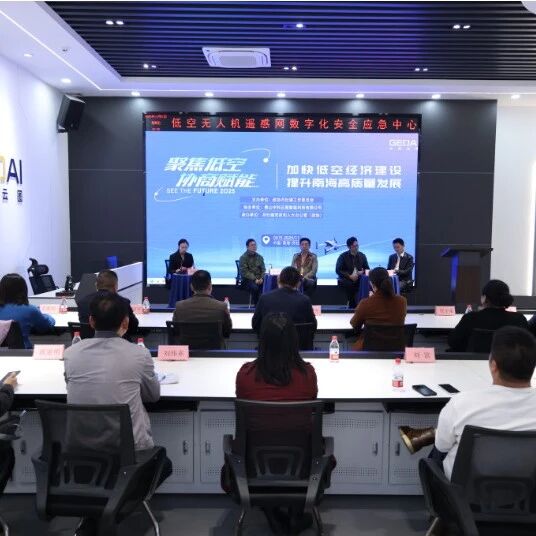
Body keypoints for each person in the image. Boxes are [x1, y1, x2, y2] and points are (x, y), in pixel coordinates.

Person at [64, 292, 171, 536]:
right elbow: (153, 395)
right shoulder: (138, 354)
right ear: (125, 322)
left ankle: (99, 512)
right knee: (164, 464)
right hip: (129, 455)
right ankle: (115, 508)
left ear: (91, 321)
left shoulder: (71, 354)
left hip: (82, 454)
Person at [232, 313, 328, 533]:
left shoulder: (246, 374)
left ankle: (272, 510)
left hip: (253, 464)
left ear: (262, 341)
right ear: (294, 341)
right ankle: (293, 513)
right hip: (302, 464)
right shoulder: (308, 374)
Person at [401, 326, 536, 481]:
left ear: (493, 365)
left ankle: (424, 440)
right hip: (526, 488)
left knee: (443, 445)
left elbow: (442, 446)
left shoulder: (462, 403)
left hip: (466, 489)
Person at [447, 279, 528, 352]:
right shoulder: (519, 319)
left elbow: (453, 342)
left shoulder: (470, 318)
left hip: (473, 362)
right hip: (507, 362)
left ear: (484, 298)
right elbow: (526, 345)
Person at [349, 267, 407, 350]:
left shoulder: (365, 303)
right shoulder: (402, 301)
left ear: (371, 283)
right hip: (396, 349)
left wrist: (371, 299)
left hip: (370, 350)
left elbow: (355, 325)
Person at [172, 270, 232, 345]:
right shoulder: (222, 307)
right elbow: (227, 333)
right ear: (210, 286)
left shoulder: (179, 306)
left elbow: (176, 331)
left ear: (191, 287)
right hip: (215, 350)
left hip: (188, 351)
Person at [76, 269, 139, 340]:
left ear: (96, 285)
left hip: (89, 344)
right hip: (118, 344)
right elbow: (133, 328)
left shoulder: (82, 302)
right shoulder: (123, 302)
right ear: (116, 286)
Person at [252, 266, 317, 334]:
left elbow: (255, 324)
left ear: (278, 279)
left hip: (269, 339)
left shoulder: (264, 298)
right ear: (298, 283)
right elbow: (313, 325)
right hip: (298, 340)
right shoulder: (305, 300)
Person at [0, 273, 55, 349]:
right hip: (22, 353)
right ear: (23, 290)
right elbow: (44, 327)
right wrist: (47, 316)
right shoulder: (30, 310)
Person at [335, 236, 370, 308]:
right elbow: (338, 270)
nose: (356, 248)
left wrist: (361, 272)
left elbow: (367, 269)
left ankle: (363, 305)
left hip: (359, 278)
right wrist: (349, 276)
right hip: (346, 278)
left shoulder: (362, 256)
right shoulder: (343, 256)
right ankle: (352, 305)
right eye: (354, 246)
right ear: (349, 247)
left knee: (365, 282)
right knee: (350, 284)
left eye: (357, 245)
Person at [239, 238, 266, 305]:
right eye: (252, 245)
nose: (254, 247)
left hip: (259, 279)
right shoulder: (243, 258)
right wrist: (255, 279)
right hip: (247, 280)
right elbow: (245, 272)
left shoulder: (260, 257)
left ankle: (266, 305)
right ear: (247, 247)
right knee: (255, 287)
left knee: (268, 285)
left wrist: (261, 278)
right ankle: (257, 305)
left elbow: (263, 269)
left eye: (255, 245)